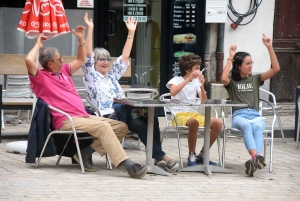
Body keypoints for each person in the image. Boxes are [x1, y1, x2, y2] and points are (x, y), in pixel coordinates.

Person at [24, 23, 150, 179]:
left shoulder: (63, 71)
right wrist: (38, 44)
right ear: (50, 64)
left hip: (83, 116)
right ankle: (128, 165)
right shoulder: (40, 78)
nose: (63, 61)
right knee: (104, 126)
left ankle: (84, 154)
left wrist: (81, 41)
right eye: (59, 59)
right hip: (66, 120)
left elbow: (81, 59)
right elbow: (29, 61)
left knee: (121, 127)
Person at [81, 13, 180, 172]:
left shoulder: (112, 75)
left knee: (148, 119)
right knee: (135, 115)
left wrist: (131, 33)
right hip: (108, 115)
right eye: (101, 59)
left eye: (108, 59)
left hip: (125, 113)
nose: (106, 62)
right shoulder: (91, 77)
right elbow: (87, 55)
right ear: (94, 62)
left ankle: (156, 157)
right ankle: (162, 156)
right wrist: (90, 29)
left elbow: (125, 56)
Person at [221, 34, 280, 177]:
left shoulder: (255, 79)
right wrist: (230, 56)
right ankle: (255, 156)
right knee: (247, 126)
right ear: (238, 66)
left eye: (251, 63)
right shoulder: (232, 81)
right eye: (247, 63)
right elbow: (223, 78)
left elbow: (276, 69)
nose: (250, 66)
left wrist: (269, 47)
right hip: (239, 115)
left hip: (254, 114)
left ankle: (253, 160)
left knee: (259, 126)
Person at [166, 54, 222, 166]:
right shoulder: (176, 80)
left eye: (199, 68)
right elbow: (173, 92)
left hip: (193, 114)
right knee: (193, 122)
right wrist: (188, 80)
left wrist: (201, 85)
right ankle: (192, 154)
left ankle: (202, 154)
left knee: (218, 123)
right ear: (187, 70)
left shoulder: (196, 82)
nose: (199, 71)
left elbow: (203, 101)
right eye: (196, 68)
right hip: (178, 114)